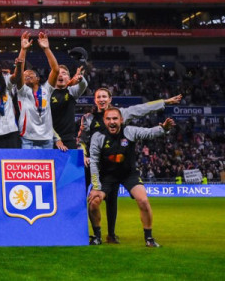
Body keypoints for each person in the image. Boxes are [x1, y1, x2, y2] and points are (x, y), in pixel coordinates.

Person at [78, 87, 179, 243]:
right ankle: (97, 236)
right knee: (93, 200)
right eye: (99, 97)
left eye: (105, 96)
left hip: (125, 171)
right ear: (95, 100)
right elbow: (83, 141)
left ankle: (146, 238)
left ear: (110, 99)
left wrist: (163, 104)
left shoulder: (125, 122)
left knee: (135, 201)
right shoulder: (89, 120)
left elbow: (142, 110)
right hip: (102, 170)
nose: (102, 99)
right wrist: (84, 156)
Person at [11, 32, 62, 150]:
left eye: (31, 74)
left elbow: (55, 69)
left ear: (38, 78)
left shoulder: (46, 90)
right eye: (25, 74)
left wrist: (47, 49)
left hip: (47, 139)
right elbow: (19, 70)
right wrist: (23, 49)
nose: (27, 74)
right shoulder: (22, 91)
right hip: (27, 139)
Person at [50, 63, 89, 151]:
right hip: (50, 138)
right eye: (57, 73)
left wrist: (80, 78)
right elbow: (45, 120)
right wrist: (55, 139)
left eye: (64, 73)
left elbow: (83, 85)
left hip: (69, 139)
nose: (60, 75)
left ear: (69, 78)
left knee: (70, 165)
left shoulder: (71, 91)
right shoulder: (47, 93)